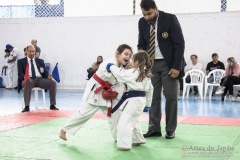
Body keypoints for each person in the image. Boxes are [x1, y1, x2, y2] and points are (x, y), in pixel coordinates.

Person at [59, 44, 132, 141]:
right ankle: (63, 130)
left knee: (114, 114)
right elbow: (116, 75)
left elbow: (119, 82)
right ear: (117, 53)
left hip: (106, 93)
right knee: (84, 113)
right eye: (126, 54)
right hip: (96, 91)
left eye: (129, 55)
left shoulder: (122, 67)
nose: (128, 57)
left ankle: (118, 138)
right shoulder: (110, 63)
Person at [137, 0, 185, 139]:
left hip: (169, 64)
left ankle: (170, 129)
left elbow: (179, 43)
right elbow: (141, 43)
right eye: (144, 14)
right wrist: (141, 63)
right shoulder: (142, 22)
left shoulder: (170, 19)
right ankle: (154, 128)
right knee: (152, 97)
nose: (147, 17)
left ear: (156, 9)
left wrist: (176, 66)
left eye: (149, 14)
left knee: (171, 96)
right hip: (151, 64)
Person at [106, 51, 153, 151]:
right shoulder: (146, 74)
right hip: (141, 101)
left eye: (132, 60)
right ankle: (137, 139)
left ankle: (124, 144)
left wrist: (111, 67)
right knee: (133, 120)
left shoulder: (134, 72)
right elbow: (150, 90)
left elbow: (121, 74)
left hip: (134, 101)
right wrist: (148, 104)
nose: (131, 62)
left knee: (124, 123)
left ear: (137, 62)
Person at [17, 45, 59, 112]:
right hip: (28, 79)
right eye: (30, 51)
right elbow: (20, 73)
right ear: (26, 52)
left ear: (35, 52)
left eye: (33, 51)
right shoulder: (21, 61)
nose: (31, 53)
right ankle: (27, 106)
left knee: (53, 83)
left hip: (39, 79)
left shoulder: (40, 61)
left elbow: (44, 72)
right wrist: (25, 77)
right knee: (27, 81)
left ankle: (52, 105)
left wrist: (48, 76)